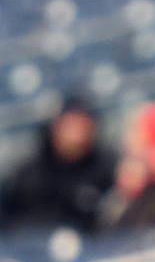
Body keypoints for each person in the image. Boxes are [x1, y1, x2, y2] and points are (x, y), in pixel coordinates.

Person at [0, 98, 114, 230]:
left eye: (83, 126)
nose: (77, 134)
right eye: (71, 126)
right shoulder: (31, 174)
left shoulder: (105, 171)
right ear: (56, 128)